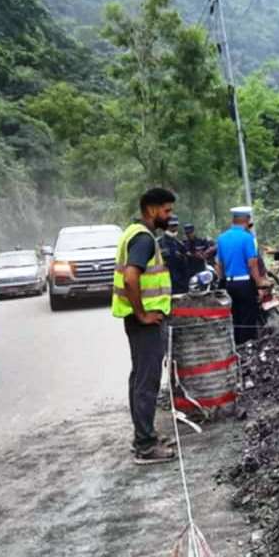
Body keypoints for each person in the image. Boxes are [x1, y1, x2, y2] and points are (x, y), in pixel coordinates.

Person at [111, 188, 178, 465]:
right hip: (145, 322)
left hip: (138, 321)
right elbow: (130, 278)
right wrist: (142, 314)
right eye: (166, 210)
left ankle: (144, 434)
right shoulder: (143, 239)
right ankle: (146, 446)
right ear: (151, 210)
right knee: (147, 380)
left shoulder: (133, 232)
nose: (169, 215)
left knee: (139, 377)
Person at [215, 206, 270, 344]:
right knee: (248, 317)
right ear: (246, 219)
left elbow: (219, 264)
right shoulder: (247, 238)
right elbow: (252, 263)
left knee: (234, 317)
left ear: (233, 220)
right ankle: (247, 348)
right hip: (245, 284)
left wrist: (222, 282)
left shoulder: (222, 238)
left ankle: (236, 347)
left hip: (228, 284)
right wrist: (259, 283)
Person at [159, 215, 190, 294]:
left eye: (175, 225)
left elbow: (186, 265)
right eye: (171, 226)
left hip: (181, 286)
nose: (174, 228)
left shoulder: (180, 245)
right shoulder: (159, 244)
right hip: (165, 286)